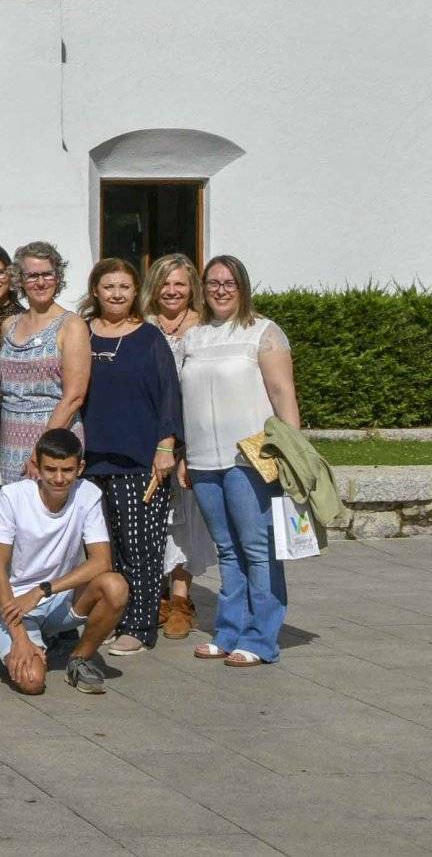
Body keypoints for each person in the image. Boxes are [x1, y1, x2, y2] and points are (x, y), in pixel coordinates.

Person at [179, 255, 302, 666]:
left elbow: (283, 393)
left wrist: (293, 451)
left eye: (229, 282)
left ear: (243, 286)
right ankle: (229, 631)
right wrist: (180, 453)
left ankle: (262, 638)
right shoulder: (193, 337)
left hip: (250, 458)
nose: (220, 289)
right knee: (227, 550)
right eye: (212, 282)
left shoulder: (263, 333)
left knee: (257, 547)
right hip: (202, 458)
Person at [76, 257, 182, 655]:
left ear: (135, 292)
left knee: (140, 546)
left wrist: (166, 446)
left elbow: (169, 394)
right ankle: (108, 617)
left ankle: (139, 626)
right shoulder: (82, 334)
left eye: (124, 287)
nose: (116, 294)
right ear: (96, 292)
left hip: (138, 458)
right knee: (102, 548)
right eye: (109, 287)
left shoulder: (149, 337)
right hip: (90, 460)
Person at [0, 427, 127, 693]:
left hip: (58, 595)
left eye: (68, 470)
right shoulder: (12, 496)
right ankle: (17, 639)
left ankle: (79, 658)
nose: (60, 478)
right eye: (50, 469)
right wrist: (18, 636)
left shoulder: (88, 494)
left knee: (115, 585)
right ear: (35, 466)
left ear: (81, 467)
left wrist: (43, 590)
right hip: (17, 603)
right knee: (32, 682)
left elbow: (101, 561)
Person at [146, 252, 211, 638]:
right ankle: (156, 595)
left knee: (185, 518)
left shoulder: (204, 328)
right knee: (152, 516)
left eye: (180, 285)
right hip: (148, 434)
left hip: (192, 435)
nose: (172, 291)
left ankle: (182, 598)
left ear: (192, 289)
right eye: (165, 284)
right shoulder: (143, 326)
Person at [0, 241, 90, 482]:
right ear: (20, 280)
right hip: (11, 437)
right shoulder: (9, 324)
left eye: (47, 274)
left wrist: (41, 451)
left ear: (57, 277)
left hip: (54, 439)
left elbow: (74, 397)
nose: (40, 282)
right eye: (32, 275)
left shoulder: (71, 325)